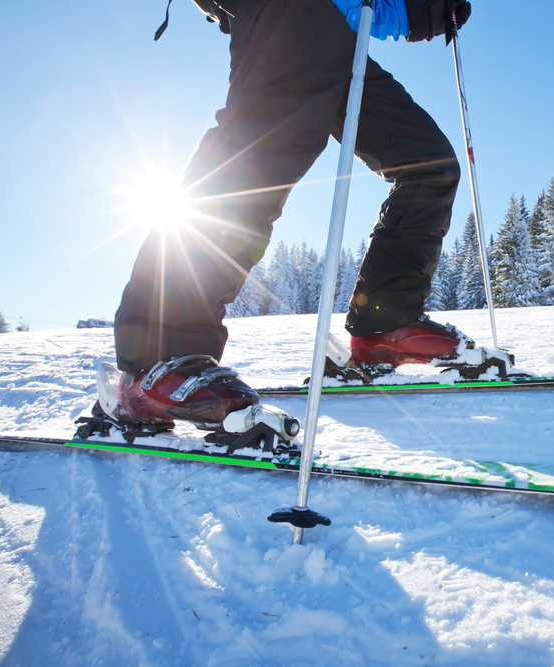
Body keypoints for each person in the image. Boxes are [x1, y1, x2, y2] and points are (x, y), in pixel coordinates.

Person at [99, 0, 475, 430]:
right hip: (287, 13)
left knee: (428, 166)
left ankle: (384, 326)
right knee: (254, 162)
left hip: (341, 32)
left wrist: (422, 10)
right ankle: (156, 361)